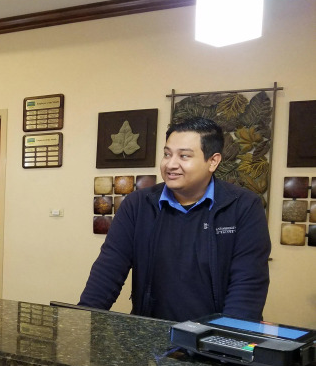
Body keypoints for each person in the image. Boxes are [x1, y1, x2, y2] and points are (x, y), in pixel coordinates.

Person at [79, 117, 271, 321]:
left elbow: (248, 283)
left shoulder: (243, 206)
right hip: (151, 332)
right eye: (167, 154)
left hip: (213, 333)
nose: (170, 164)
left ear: (213, 161)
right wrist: (79, 323)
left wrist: (225, 336)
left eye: (184, 156)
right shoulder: (138, 204)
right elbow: (108, 270)